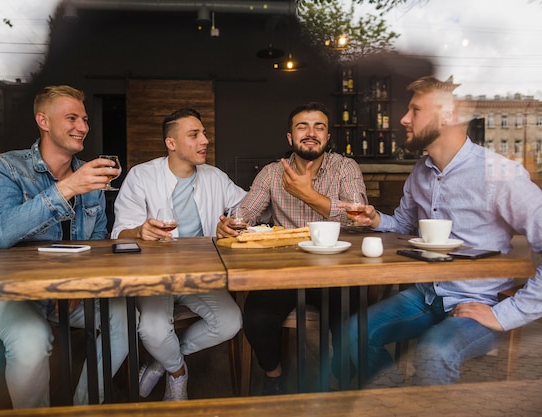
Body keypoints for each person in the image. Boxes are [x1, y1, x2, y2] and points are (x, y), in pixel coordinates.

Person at [336, 75, 542, 386]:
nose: (404, 119)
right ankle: (396, 403)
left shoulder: (500, 174)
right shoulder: (420, 173)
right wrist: (376, 220)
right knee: (352, 334)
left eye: (415, 110)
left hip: (480, 301)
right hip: (426, 295)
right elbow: (404, 225)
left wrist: (506, 314)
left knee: (433, 352)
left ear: (447, 116)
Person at [0, 85, 129, 408]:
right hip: (14, 293)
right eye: (72, 118)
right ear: (43, 121)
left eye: (85, 119)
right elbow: (1, 232)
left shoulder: (90, 177)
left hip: (71, 295)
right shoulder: (3, 168)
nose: (83, 127)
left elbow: (98, 243)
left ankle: (85, 408)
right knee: (32, 342)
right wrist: (67, 188)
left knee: (127, 320)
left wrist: (82, 283)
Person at [216, 101, 367, 395]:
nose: (311, 132)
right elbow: (246, 211)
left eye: (319, 126)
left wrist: (308, 195)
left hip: (335, 271)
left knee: (352, 318)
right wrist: (231, 223)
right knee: (256, 319)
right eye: (302, 126)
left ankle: (341, 371)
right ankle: (274, 375)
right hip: (283, 271)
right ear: (290, 137)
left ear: (327, 136)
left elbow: (358, 220)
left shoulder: (345, 168)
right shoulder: (272, 173)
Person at [111, 108, 244, 401]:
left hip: (201, 275)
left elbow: (247, 209)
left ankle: (164, 362)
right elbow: (119, 233)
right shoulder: (142, 176)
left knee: (230, 322)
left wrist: (231, 223)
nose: (205, 140)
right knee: (153, 331)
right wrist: (139, 231)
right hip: (155, 275)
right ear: (171, 144)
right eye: (194, 135)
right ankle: (178, 373)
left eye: (204, 133)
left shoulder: (215, 177)